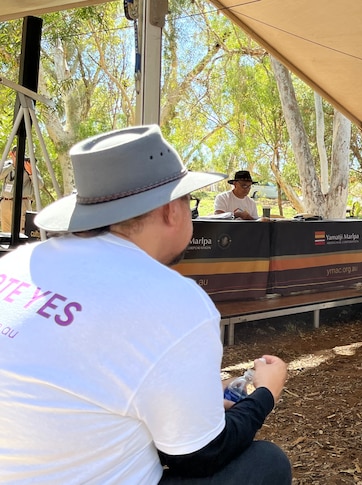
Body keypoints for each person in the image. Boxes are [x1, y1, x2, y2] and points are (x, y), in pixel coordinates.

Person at [0, 125, 292, 484]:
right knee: (267, 463)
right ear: (172, 210)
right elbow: (201, 456)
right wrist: (265, 393)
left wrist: (205, 395)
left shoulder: (17, 262)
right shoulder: (174, 299)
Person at [0, 146, 40, 233]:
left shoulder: (29, 164)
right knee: (5, 234)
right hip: (5, 203)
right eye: (16, 155)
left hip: (22, 203)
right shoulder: (7, 164)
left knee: (21, 234)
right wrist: (13, 166)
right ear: (11, 154)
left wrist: (30, 173)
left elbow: (40, 185)